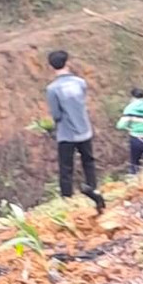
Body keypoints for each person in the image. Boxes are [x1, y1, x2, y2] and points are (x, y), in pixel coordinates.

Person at [46, 50, 105, 211]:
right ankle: (92, 187)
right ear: (67, 62)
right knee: (88, 161)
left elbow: (56, 114)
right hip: (84, 129)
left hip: (66, 134)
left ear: (51, 66)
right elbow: (82, 103)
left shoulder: (52, 89)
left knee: (66, 167)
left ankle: (67, 198)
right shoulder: (80, 82)